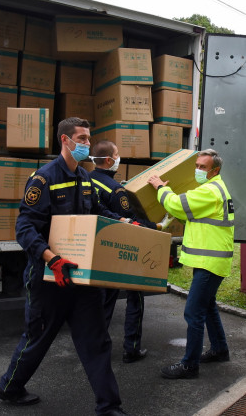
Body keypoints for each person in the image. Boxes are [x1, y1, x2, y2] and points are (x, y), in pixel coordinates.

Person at [0, 117, 128, 416]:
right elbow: (25, 226)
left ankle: (109, 407)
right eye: (81, 139)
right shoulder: (43, 178)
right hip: (48, 277)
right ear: (64, 141)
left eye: (88, 139)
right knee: (38, 338)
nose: (86, 144)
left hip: (79, 275)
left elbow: (97, 209)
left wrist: (121, 221)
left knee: (96, 341)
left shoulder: (85, 177)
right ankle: (9, 386)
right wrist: (50, 258)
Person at [147, 149, 235, 379]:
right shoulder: (214, 189)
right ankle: (219, 349)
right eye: (196, 165)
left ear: (215, 170)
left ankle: (189, 365)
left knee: (194, 311)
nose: (197, 170)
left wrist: (159, 187)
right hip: (211, 259)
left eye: (202, 167)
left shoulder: (210, 191)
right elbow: (189, 214)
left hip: (210, 262)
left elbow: (176, 205)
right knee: (207, 307)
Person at [88, 140, 172, 364]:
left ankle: (96, 347)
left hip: (97, 249)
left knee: (103, 301)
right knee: (135, 296)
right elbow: (130, 221)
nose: (118, 158)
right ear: (109, 160)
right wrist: (158, 226)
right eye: (117, 155)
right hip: (123, 248)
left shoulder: (86, 180)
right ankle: (131, 348)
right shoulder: (117, 191)